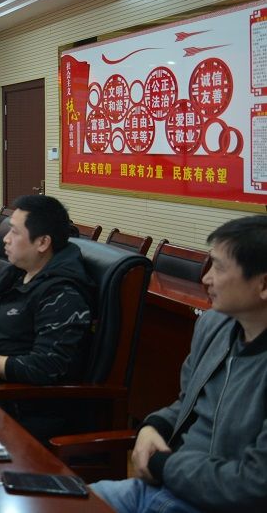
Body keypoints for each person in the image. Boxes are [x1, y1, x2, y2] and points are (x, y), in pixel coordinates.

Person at [90, 216, 267, 513]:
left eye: (219, 268)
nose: (206, 279)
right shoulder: (214, 325)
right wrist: (153, 426)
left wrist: (163, 464)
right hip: (164, 488)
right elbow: (187, 402)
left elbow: (253, 484)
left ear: (263, 284)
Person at [0, 194, 94, 439]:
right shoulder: (17, 274)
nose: (5, 239)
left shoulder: (62, 294)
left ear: (43, 242)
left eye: (15, 232)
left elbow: (43, 368)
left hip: (16, 407)